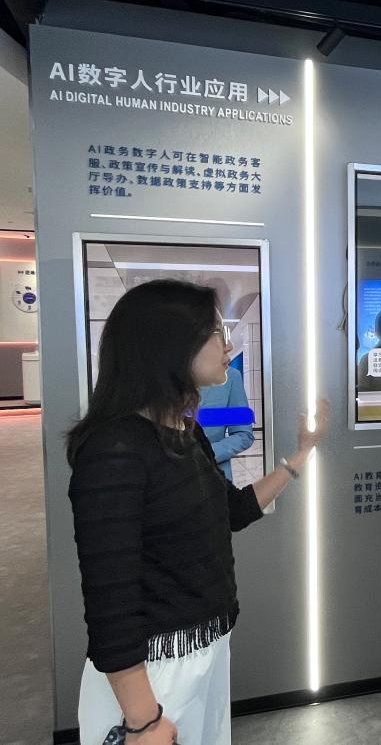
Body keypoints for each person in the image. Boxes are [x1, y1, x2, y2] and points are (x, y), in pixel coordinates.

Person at [67, 280, 330, 745]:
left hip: (205, 653)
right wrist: (143, 721)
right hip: (151, 678)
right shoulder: (115, 450)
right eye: (216, 332)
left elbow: (233, 510)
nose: (228, 345)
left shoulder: (186, 433)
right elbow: (110, 600)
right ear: (172, 345)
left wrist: (301, 454)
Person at [199, 364, 254, 483]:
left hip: (214, 476)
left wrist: (205, 454)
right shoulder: (162, 376)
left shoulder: (230, 376)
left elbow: (244, 435)